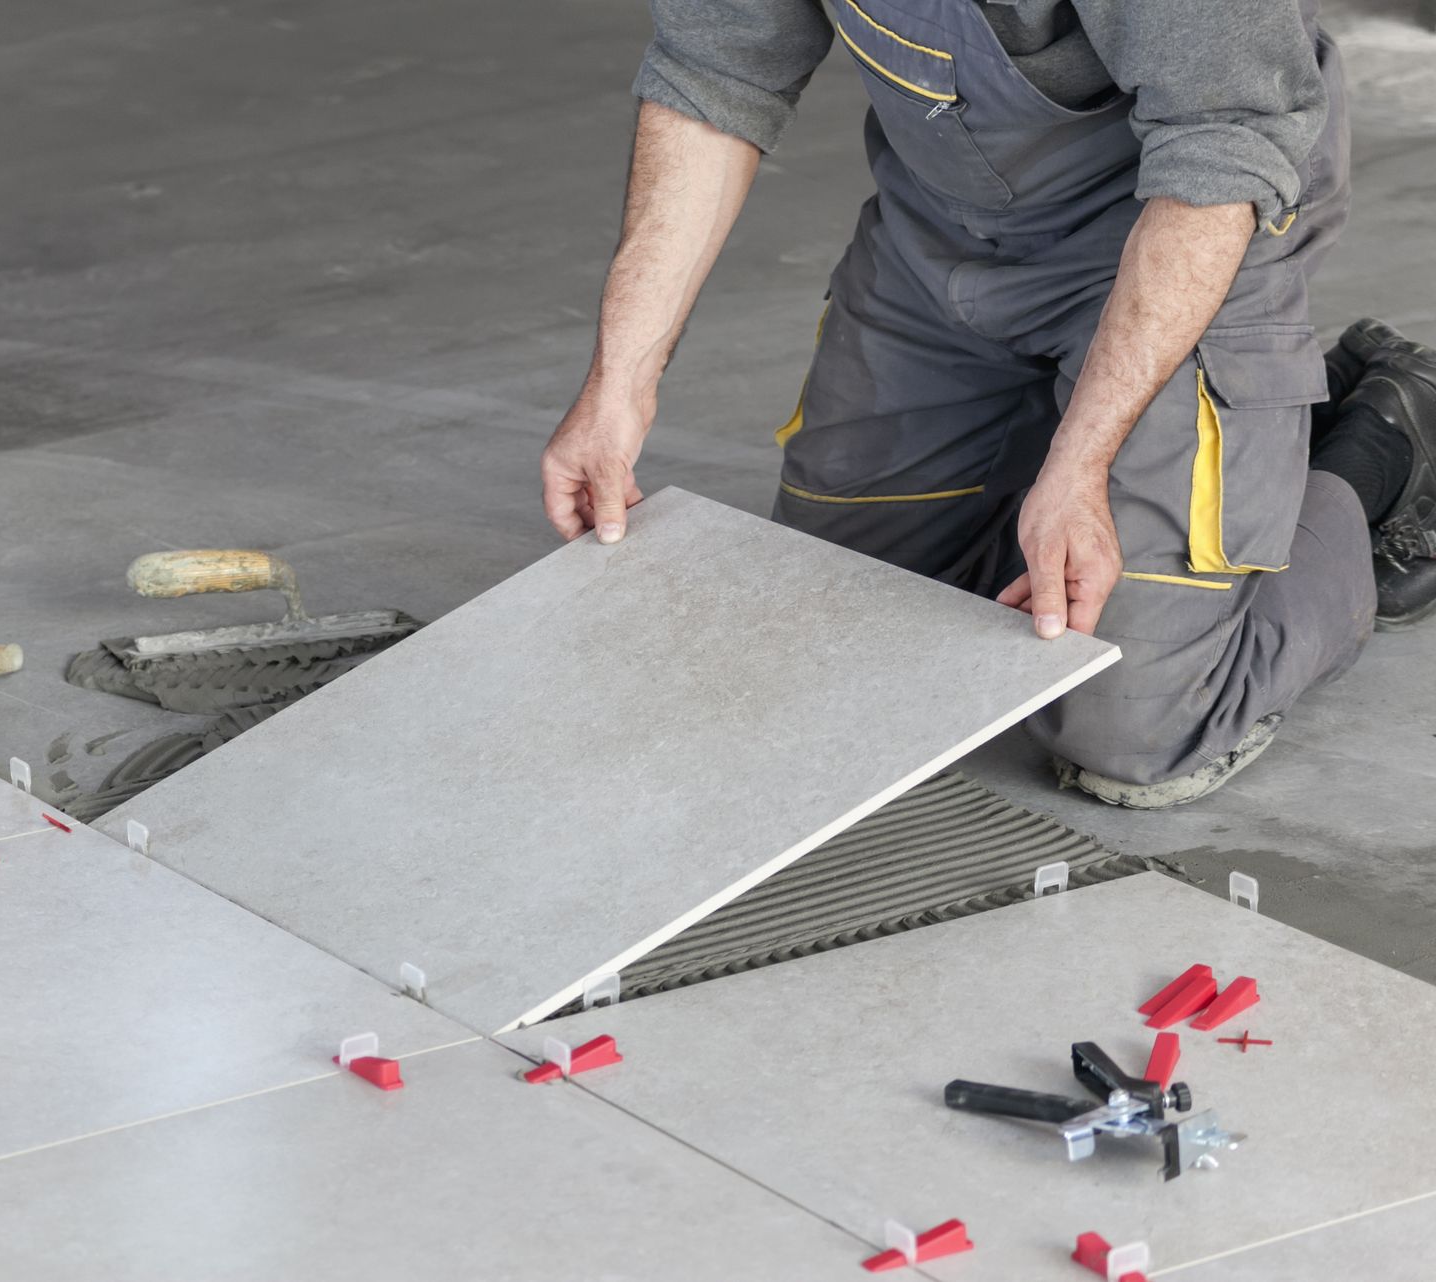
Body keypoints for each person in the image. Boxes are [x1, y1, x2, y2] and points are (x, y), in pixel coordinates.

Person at [541, 0, 1436, 807]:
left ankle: (1377, 447)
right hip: (943, 240)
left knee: (1129, 724)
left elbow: (1222, 149)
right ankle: (1200, 466)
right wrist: (618, 383)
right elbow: (715, 72)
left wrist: (1083, 463)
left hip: (1181, 229)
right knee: (835, 634)